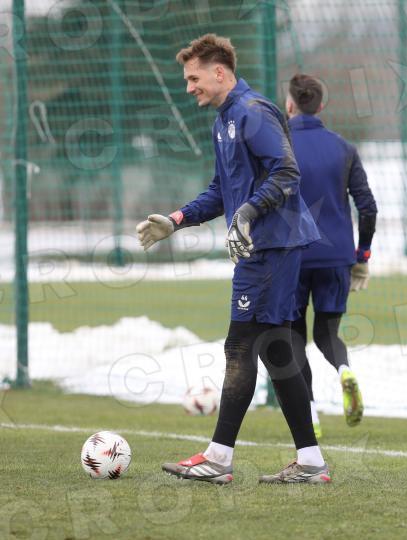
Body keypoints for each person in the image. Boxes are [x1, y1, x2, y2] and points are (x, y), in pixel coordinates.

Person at [136, 34, 330, 485]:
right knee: (277, 351)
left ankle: (218, 459)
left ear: (220, 72)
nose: (189, 87)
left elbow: (287, 171)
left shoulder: (252, 112)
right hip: (264, 247)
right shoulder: (224, 119)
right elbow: (221, 190)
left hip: (270, 246)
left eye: (194, 78)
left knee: (239, 346)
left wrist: (248, 213)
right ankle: (311, 462)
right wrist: (176, 220)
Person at [284, 73, 377, 436]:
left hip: (291, 255)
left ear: (289, 104)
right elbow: (367, 207)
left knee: (292, 336)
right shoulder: (344, 148)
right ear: (321, 105)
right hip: (336, 255)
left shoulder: (279, 145)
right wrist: (362, 255)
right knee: (327, 333)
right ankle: (344, 371)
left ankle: (307, 410)